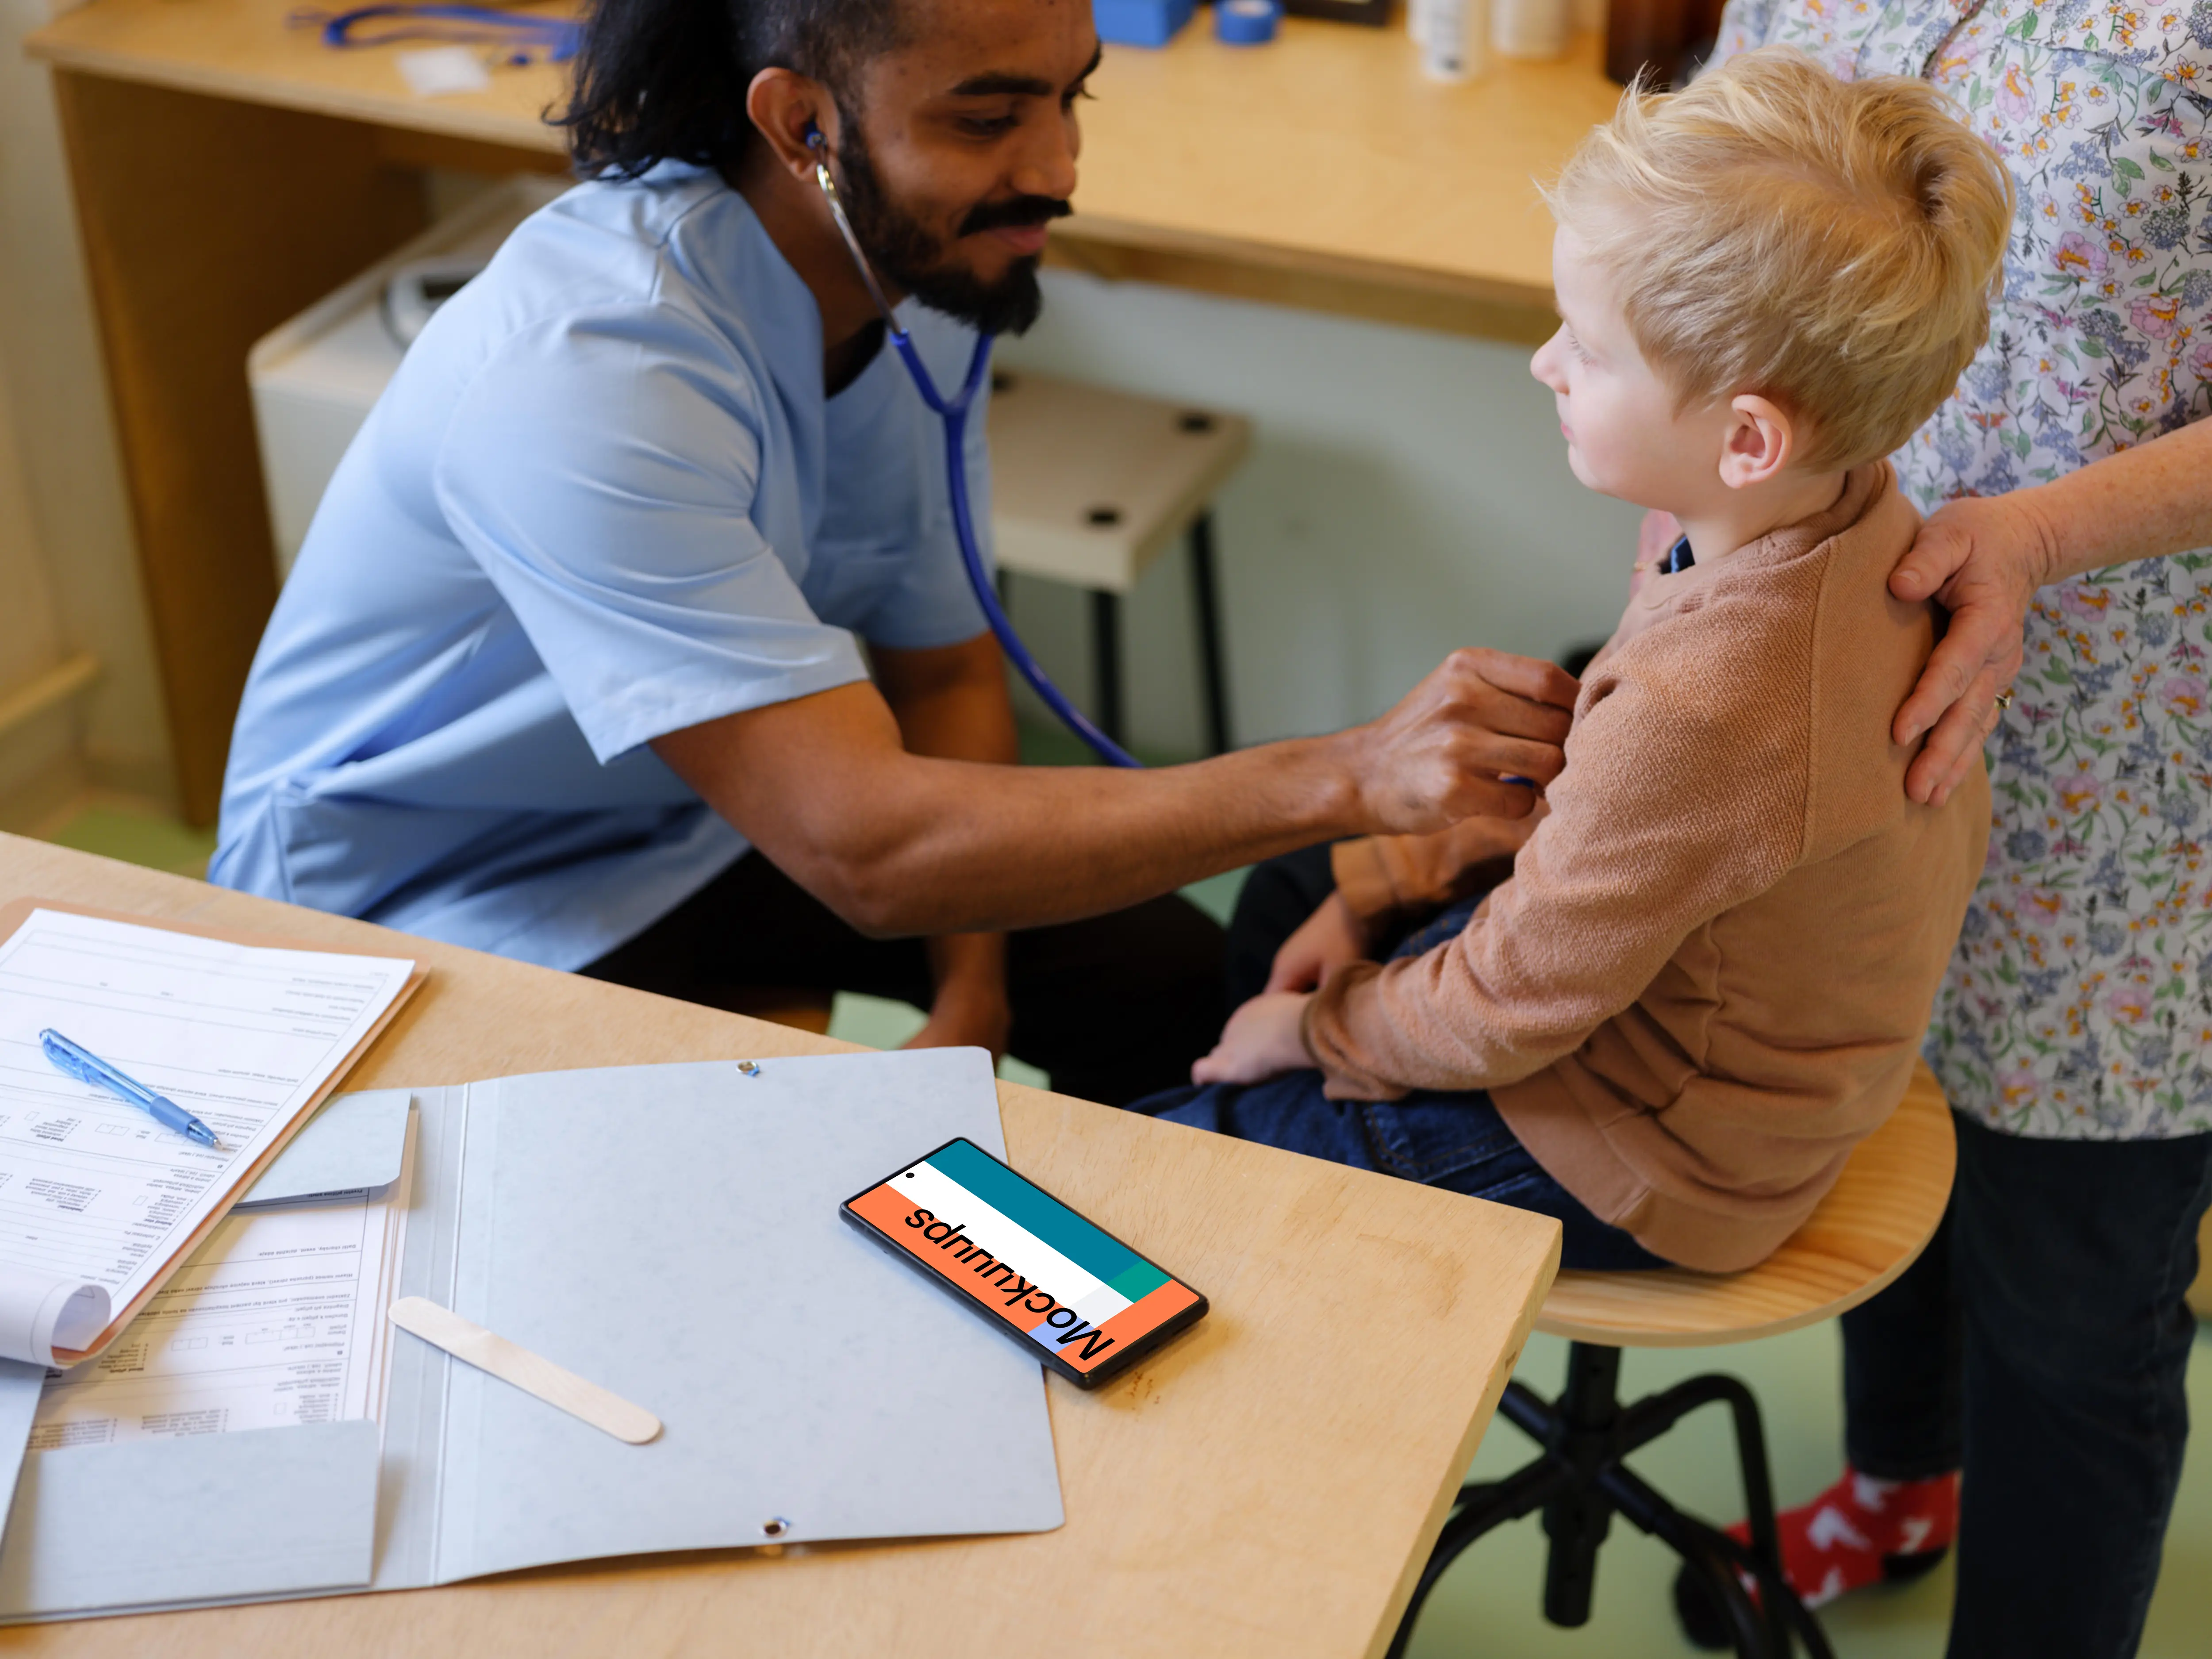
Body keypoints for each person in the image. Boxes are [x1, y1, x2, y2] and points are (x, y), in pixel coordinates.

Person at [206, 0, 1583, 1106]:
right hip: (424, 898)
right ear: (801, 121)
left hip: (690, 825)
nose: (1055, 170)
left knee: (1178, 985)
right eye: (988, 116)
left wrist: (971, 995)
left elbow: (939, 673)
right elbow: (867, 846)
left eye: (1070, 96)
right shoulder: (593, 371)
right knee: (707, 1214)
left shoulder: (918, 282)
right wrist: (1347, 773)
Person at [1131, 50, 2009, 1275]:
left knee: (1155, 1172)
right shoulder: (1844, 514)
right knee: (1299, 893)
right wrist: (1380, 885)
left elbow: (1506, 1004)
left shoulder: (1713, 701)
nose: (1546, 361)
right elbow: (1607, 835)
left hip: (1658, 1149)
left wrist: (1318, 1030)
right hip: (1719, 1038)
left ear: (1746, 437)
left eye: (1588, 350)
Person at [1645, 8, 2212, 1654]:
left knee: (2073, 1287)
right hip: (1824, 707)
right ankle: (1901, 1480)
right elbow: (1709, 263)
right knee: (1864, 1130)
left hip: (2138, 778)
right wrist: (1663, 579)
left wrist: (2033, 535)